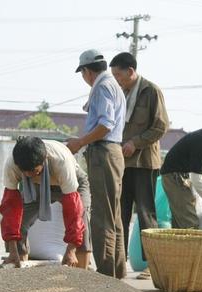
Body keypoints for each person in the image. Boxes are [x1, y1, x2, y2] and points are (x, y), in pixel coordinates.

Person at [109, 52, 169, 280]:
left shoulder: (151, 91)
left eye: (118, 74)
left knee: (146, 214)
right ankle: (118, 262)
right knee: (121, 212)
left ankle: (151, 265)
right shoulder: (119, 92)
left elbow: (161, 126)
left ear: (130, 71)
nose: (116, 79)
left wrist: (136, 142)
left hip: (144, 163)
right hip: (122, 163)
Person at [67, 49, 127, 279]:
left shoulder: (102, 87)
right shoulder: (112, 85)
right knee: (114, 214)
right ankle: (116, 272)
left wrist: (80, 142)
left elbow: (105, 125)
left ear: (87, 71)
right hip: (112, 152)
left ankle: (105, 276)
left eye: (83, 73)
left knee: (102, 216)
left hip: (104, 152)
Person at [0, 136, 92, 269]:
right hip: (35, 186)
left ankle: (82, 275)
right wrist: (12, 250)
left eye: (34, 171)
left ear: (44, 160)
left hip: (74, 183)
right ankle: (18, 265)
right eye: (26, 173)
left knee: (82, 221)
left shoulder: (61, 161)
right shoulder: (12, 164)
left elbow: (74, 211)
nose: (30, 174)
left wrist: (70, 249)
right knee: (20, 222)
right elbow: (10, 207)